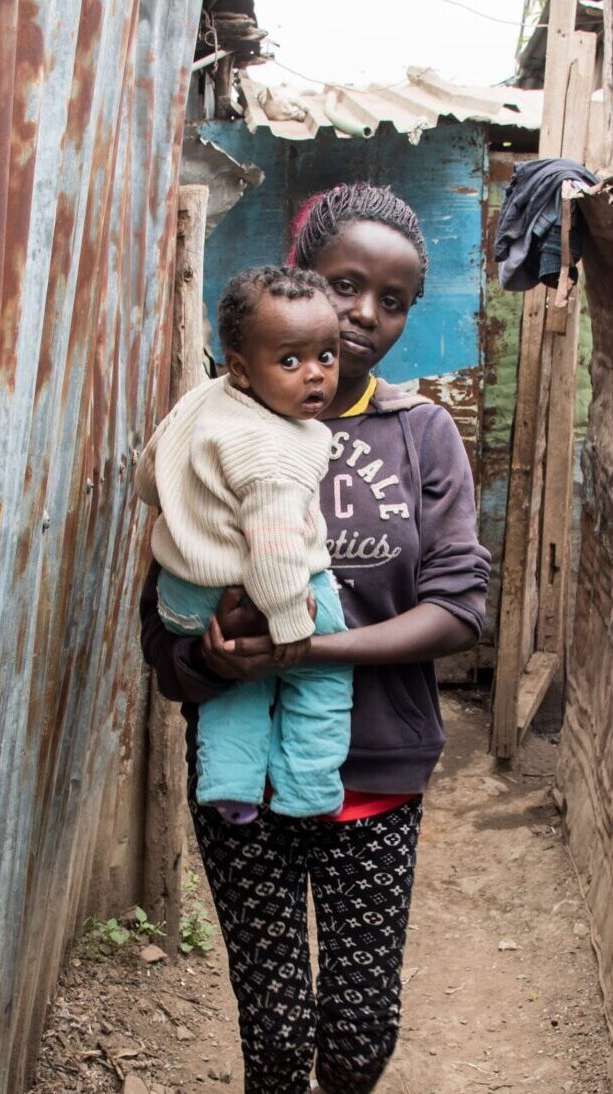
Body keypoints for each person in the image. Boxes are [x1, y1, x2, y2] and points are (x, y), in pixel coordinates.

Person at [138, 183, 490, 1094]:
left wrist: (309, 649)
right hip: (243, 775)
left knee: (359, 1035)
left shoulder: (424, 436)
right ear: (304, 280)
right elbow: (164, 629)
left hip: (374, 775)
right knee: (279, 1031)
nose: (365, 315)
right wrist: (212, 657)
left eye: (395, 299)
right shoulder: (217, 430)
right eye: (345, 286)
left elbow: (459, 610)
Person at [133, 266, 352, 824]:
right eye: (290, 361)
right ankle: (309, 790)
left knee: (238, 685)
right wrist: (289, 626)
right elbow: (277, 550)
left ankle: (230, 788)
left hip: (187, 597)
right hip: (264, 589)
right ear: (242, 368)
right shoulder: (275, 449)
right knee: (320, 676)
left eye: (326, 356)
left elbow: (148, 477)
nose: (315, 377)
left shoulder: (206, 401)